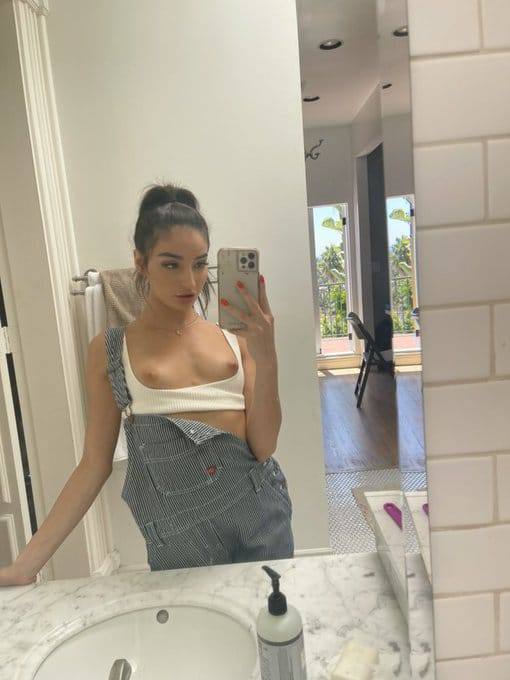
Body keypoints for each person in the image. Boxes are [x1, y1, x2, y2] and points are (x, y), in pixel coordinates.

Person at [0, 183, 293, 586]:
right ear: (140, 262)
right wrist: (26, 566)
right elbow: (93, 465)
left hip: (261, 517)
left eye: (199, 264)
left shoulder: (236, 341)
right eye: (171, 265)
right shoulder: (110, 350)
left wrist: (267, 356)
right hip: (179, 538)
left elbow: (264, 447)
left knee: (269, 618)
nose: (190, 281)